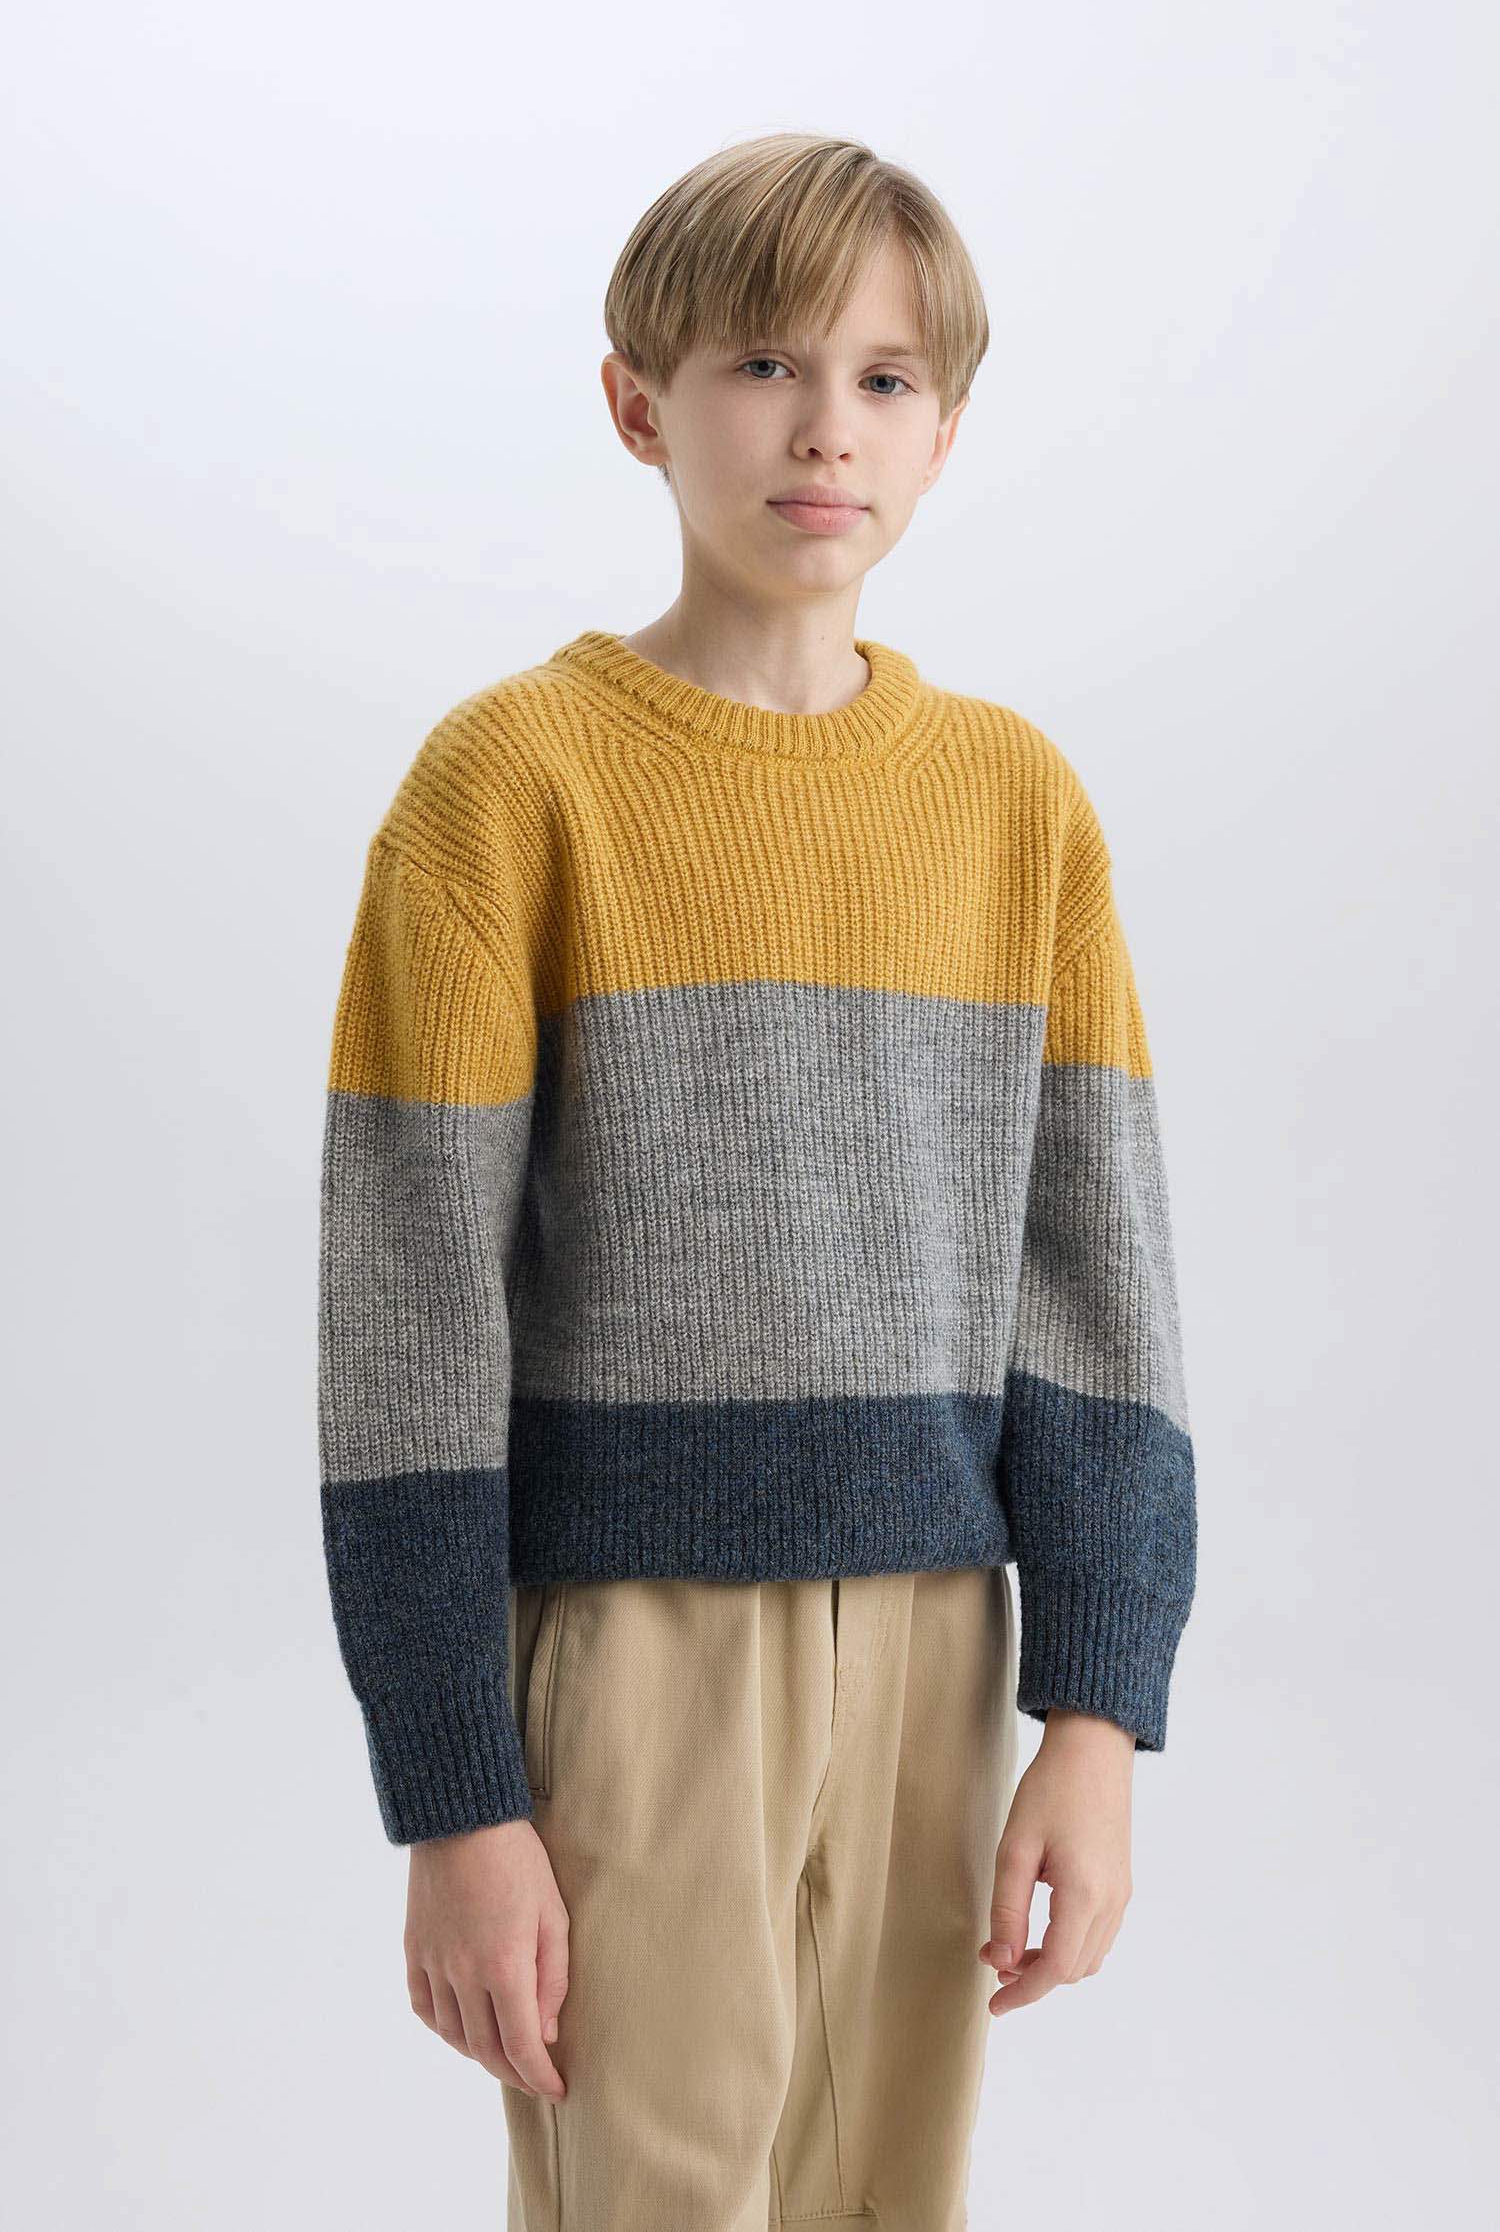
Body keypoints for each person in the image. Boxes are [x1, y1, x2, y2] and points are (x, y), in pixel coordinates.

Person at [317, 130, 1198, 2232]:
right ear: (639, 402)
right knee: (652, 2194)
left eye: (887, 379)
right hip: (632, 1650)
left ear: (946, 430)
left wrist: (1096, 1710)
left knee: (891, 2193)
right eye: (765, 366)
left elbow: (1094, 1282)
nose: (828, 429)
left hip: (937, 1643)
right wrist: (455, 1793)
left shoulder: (1015, 804)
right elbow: (408, 1323)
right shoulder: (508, 785)